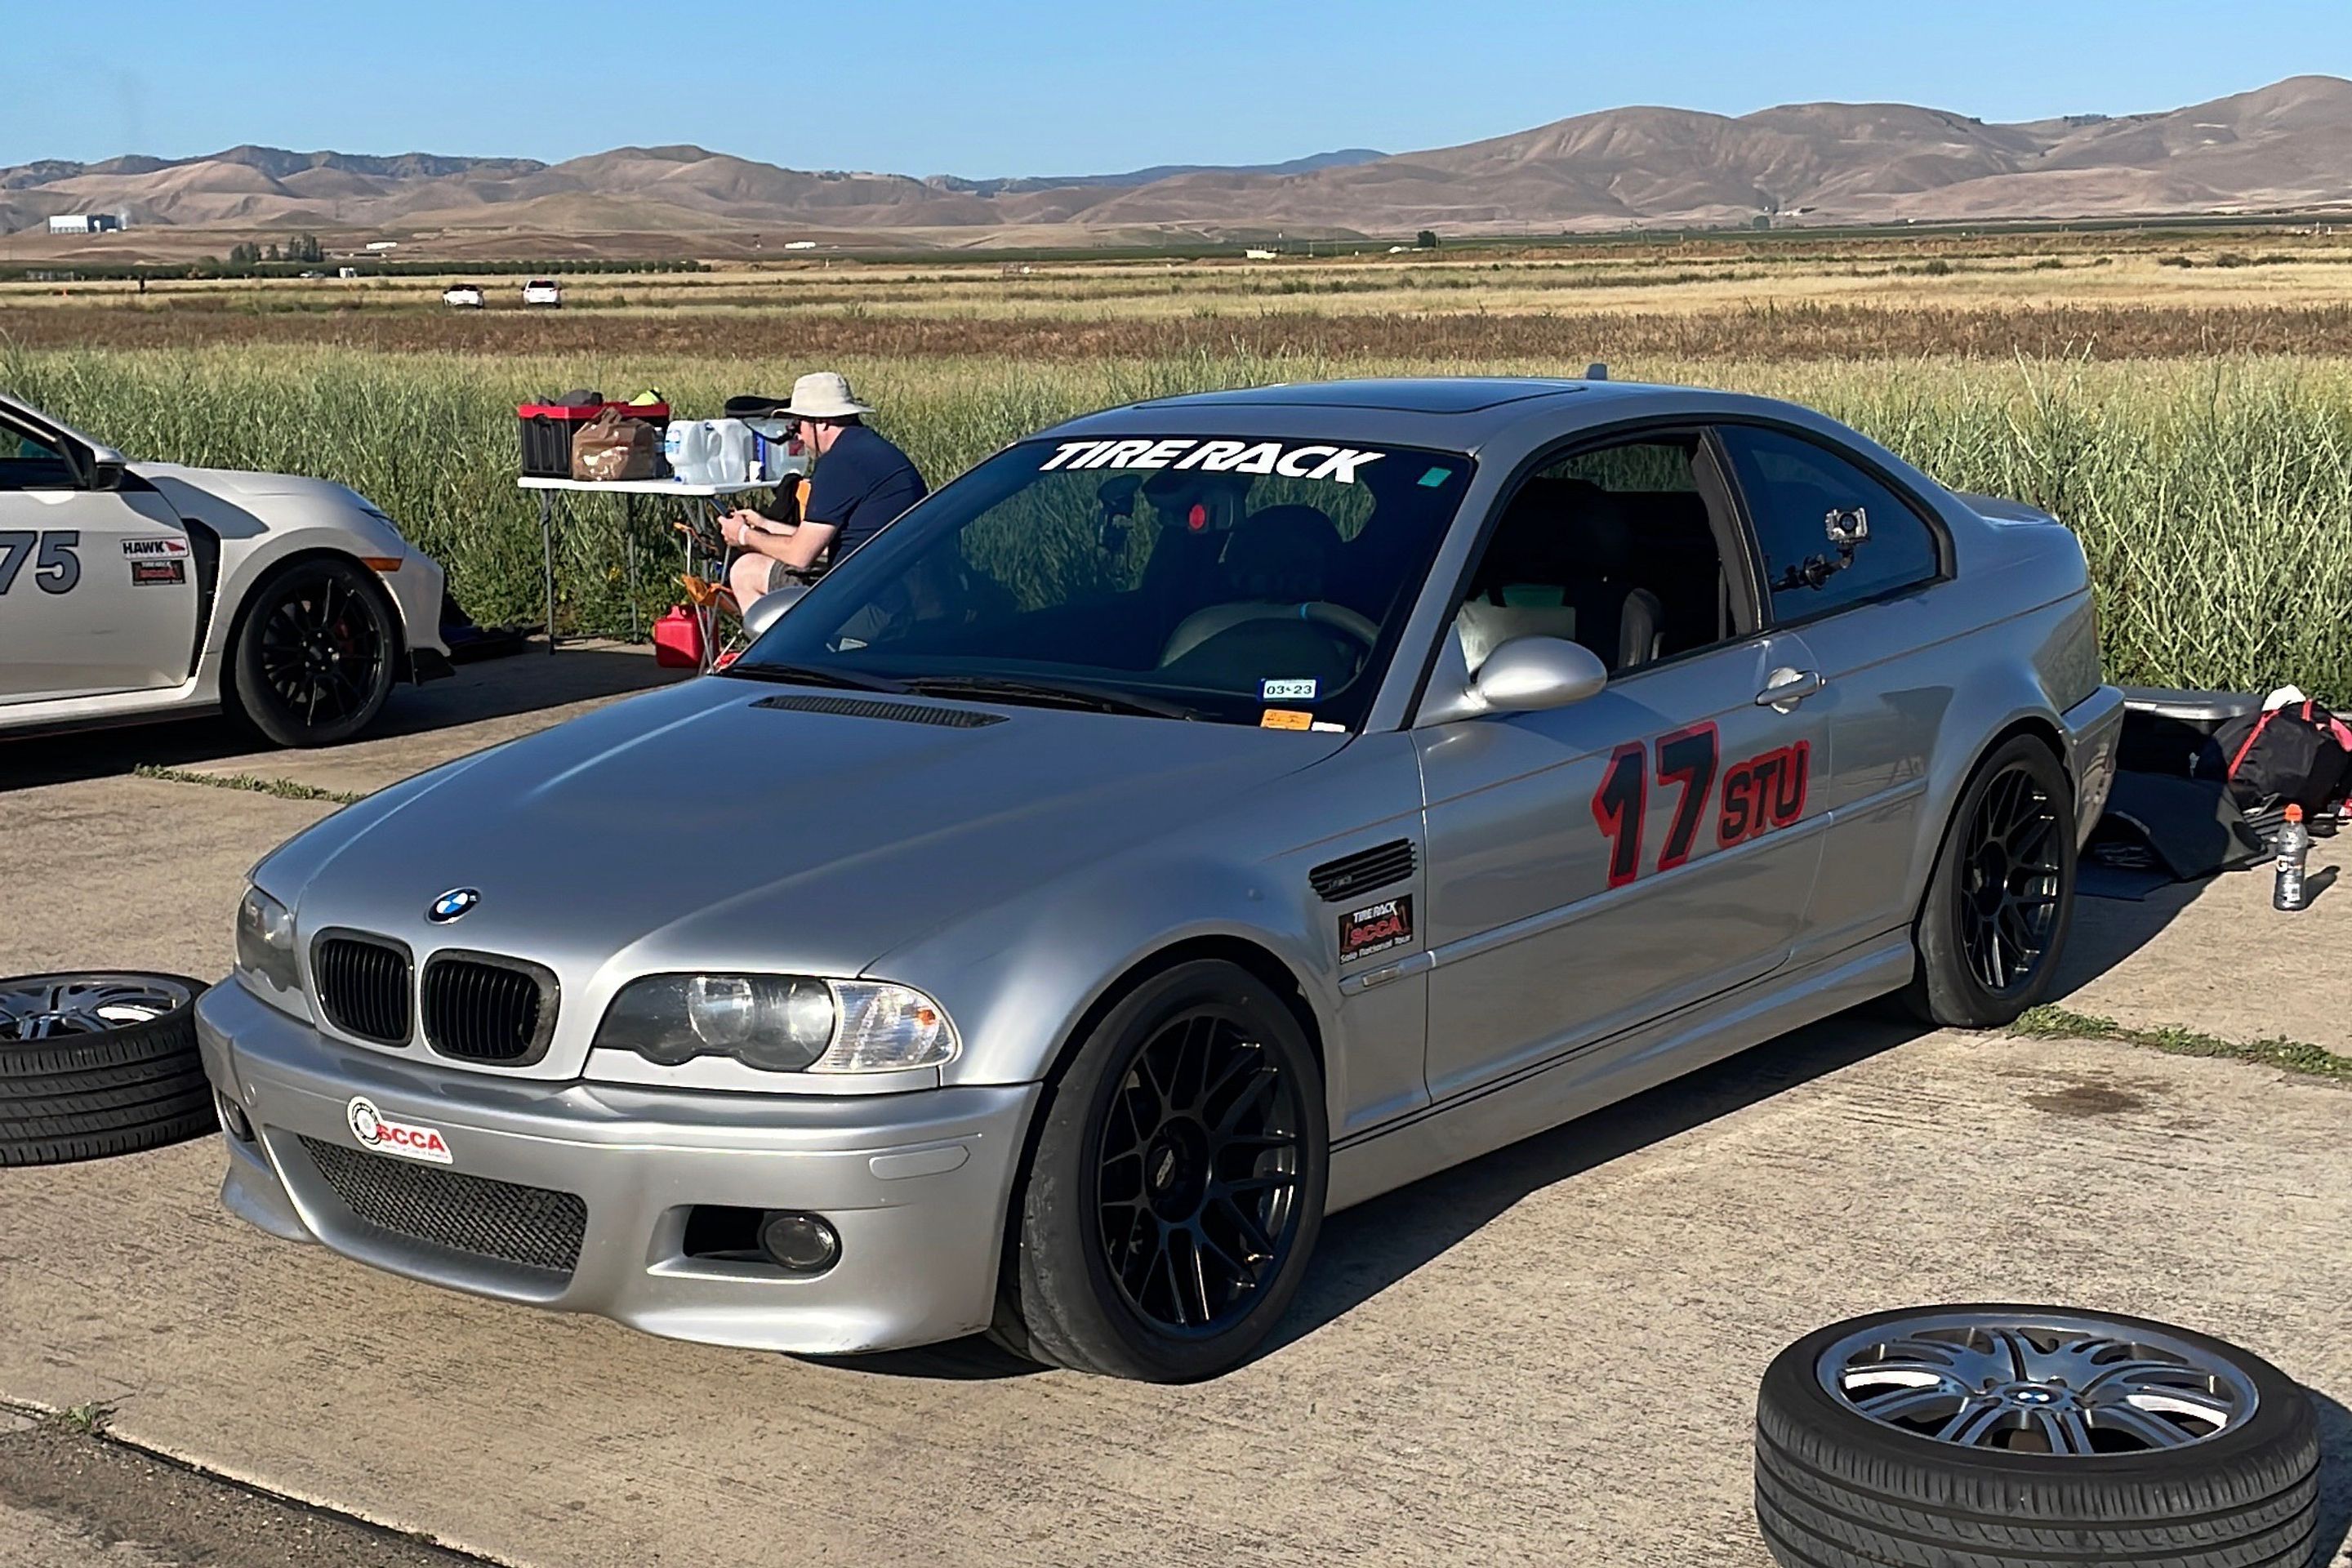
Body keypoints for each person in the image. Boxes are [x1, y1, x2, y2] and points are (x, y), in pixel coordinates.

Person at [718, 372, 926, 611]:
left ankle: (781, 649)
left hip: (875, 607)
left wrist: (744, 535)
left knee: (747, 570)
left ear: (821, 422)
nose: (796, 434)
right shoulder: (872, 450)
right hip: (906, 594)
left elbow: (800, 555)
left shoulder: (840, 463)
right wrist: (766, 525)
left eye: (798, 423)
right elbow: (828, 543)